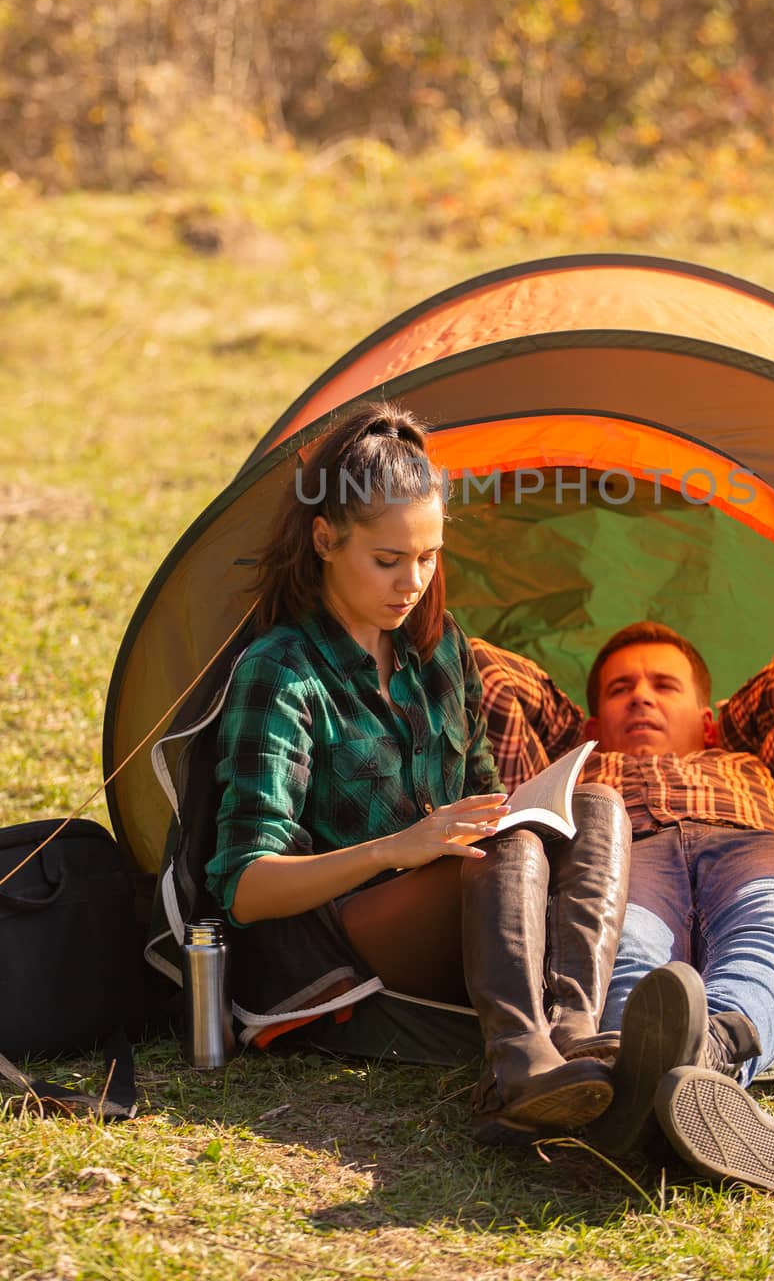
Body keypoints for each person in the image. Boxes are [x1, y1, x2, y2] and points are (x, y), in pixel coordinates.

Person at [204, 403, 630, 1143]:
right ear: (325, 540)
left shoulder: (438, 649)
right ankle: (517, 1066)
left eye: (428, 557)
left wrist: (515, 811)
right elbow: (244, 887)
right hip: (345, 943)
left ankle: (567, 1033)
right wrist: (395, 849)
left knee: (595, 807)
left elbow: (482, 796)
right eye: (387, 560)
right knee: (507, 846)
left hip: (461, 903)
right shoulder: (281, 672)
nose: (411, 581)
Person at [472, 624, 774, 1192]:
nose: (641, 695)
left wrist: (735, 716)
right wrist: (570, 726)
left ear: (709, 720)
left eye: (665, 685)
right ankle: (678, 1088)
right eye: (620, 689)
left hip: (754, 845)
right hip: (622, 853)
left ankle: (705, 1065)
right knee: (627, 946)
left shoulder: (750, 758)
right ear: (591, 723)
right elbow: (485, 670)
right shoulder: (574, 769)